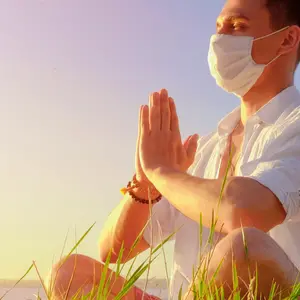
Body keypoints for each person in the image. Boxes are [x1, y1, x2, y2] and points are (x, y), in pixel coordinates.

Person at [48, 0, 300, 299]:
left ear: (287, 39)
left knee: (244, 248)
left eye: (237, 27)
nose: (220, 40)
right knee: (69, 273)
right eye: (218, 28)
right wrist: (145, 185)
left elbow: (243, 213)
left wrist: (161, 171)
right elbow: (113, 251)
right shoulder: (206, 148)